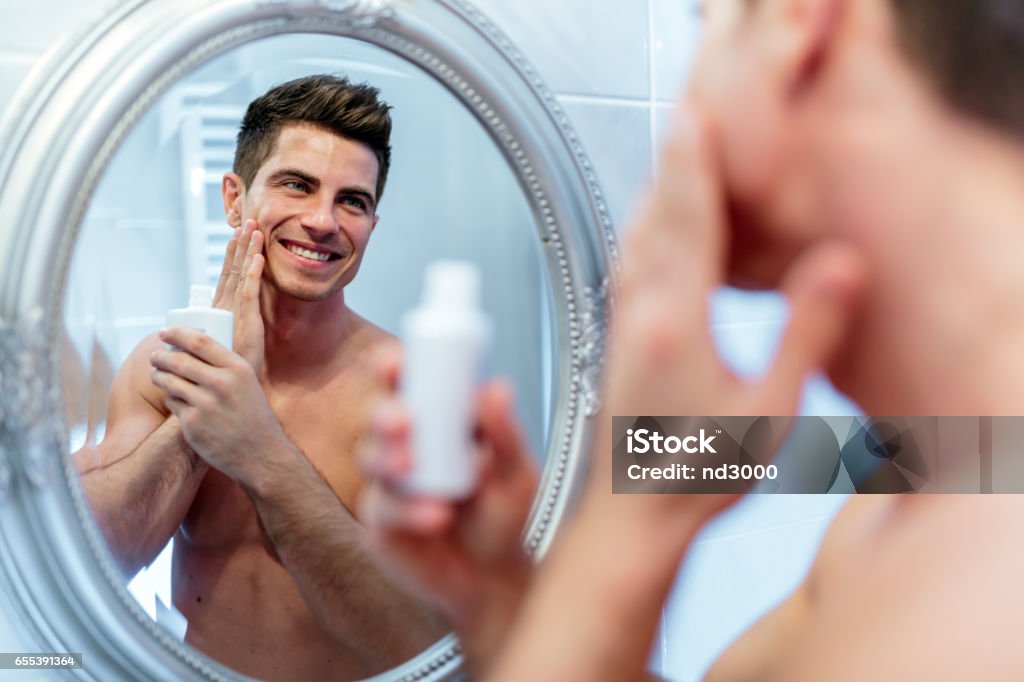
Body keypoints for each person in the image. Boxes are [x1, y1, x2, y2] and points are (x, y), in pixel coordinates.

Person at [361, 0, 1024, 679]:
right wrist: (502, 603)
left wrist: (629, 534)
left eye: (706, 20)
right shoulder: (896, 520)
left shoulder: (984, 603)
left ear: (796, 23)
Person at [73, 74, 446, 681]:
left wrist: (258, 448)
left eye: (352, 200)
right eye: (296, 185)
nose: (323, 220)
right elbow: (96, 562)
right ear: (234, 199)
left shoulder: (412, 391)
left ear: (372, 225)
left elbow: (422, 638)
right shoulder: (161, 366)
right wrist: (207, 408)